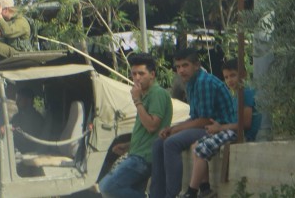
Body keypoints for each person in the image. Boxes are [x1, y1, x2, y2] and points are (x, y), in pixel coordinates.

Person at [149, 48, 236, 198]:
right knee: (159, 142)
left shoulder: (203, 82)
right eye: (178, 67)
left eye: (185, 65)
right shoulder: (190, 83)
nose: (181, 70)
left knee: (171, 143)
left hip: (218, 127)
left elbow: (205, 120)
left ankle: (172, 194)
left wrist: (177, 130)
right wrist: (173, 128)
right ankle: (156, 194)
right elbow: (195, 117)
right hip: (205, 125)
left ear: (196, 65)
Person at [182, 58, 262, 198]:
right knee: (196, 145)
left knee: (201, 149)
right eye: (226, 77)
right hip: (231, 130)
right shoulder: (236, 94)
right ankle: (205, 188)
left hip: (241, 133)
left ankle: (191, 192)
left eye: (233, 75)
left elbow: (245, 124)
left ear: (243, 74)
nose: (229, 80)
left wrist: (220, 128)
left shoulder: (246, 93)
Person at [98, 53, 173, 198]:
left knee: (106, 187)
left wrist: (137, 101)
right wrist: (128, 145)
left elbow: (152, 125)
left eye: (141, 73)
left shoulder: (157, 93)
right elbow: (147, 132)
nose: (137, 77)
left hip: (144, 158)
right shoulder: (145, 95)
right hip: (137, 154)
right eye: (134, 74)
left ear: (152, 74)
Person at [10, 87, 45, 154]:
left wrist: (15, 131)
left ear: (29, 100)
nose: (16, 103)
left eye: (19, 100)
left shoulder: (36, 118)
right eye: (17, 100)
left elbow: (30, 140)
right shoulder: (17, 116)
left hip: (29, 153)